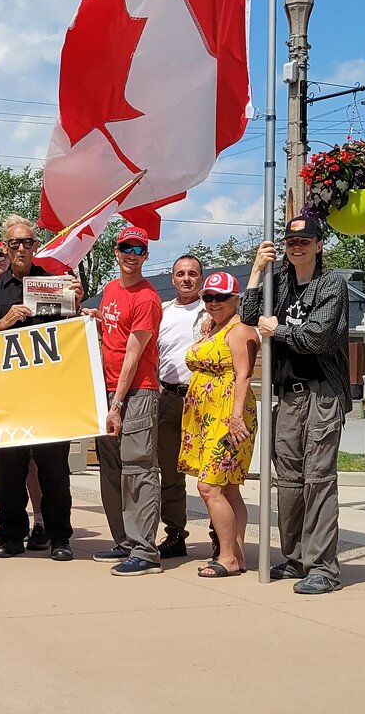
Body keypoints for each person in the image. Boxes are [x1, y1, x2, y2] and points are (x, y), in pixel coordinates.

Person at [242, 215, 351, 595]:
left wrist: (278, 330)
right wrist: (256, 271)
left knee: (318, 480)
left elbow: (318, 337)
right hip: (286, 396)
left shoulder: (332, 285)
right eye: (291, 242)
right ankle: (296, 558)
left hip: (321, 395)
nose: (297, 247)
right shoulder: (279, 282)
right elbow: (246, 315)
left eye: (305, 241)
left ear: (319, 245)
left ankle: (324, 568)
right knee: (288, 483)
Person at [0, 216, 82, 562]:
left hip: (49, 395)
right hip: (9, 398)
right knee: (10, 471)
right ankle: (12, 536)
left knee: (55, 472)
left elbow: (72, 333)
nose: (20, 249)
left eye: (27, 243)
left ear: (35, 247)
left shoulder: (52, 284)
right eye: (14, 243)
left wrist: (77, 302)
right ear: (5, 247)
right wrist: (3, 323)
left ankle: (60, 537)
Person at [82, 226, 164, 576]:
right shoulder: (111, 290)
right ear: (116, 251)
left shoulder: (147, 297)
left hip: (137, 392)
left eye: (139, 250)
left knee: (138, 469)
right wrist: (97, 320)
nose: (131, 255)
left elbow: (133, 353)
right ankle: (125, 541)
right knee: (112, 468)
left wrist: (115, 404)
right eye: (126, 248)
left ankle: (145, 551)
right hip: (108, 389)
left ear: (145, 256)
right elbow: (113, 337)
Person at [178, 273, 258, 578]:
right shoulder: (213, 328)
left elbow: (244, 375)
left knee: (209, 486)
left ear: (235, 298)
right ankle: (237, 555)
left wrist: (236, 417)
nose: (213, 303)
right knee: (230, 489)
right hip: (205, 416)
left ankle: (226, 556)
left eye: (220, 297)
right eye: (208, 297)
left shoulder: (240, 330)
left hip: (228, 419)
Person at [155, 255, 205, 559]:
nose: (186, 279)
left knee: (212, 471)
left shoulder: (212, 309)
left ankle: (219, 537)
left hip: (204, 398)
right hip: (170, 399)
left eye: (192, 274)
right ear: (172, 279)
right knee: (170, 471)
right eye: (180, 274)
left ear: (201, 278)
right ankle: (175, 534)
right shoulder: (162, 313)